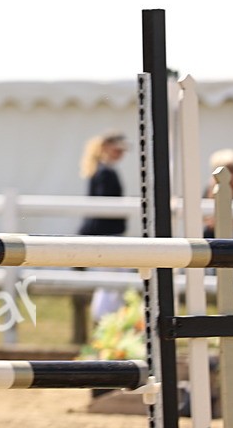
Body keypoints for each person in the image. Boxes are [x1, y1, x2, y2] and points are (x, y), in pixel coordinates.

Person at [76, 132, 129, 326]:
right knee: (110, 284)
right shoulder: (105, 172)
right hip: (108, 233)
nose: (120, 154)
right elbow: (103, 208)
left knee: (109, 283)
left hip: (106, 232)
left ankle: (107, 322)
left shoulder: (99, 170)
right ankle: (106, 322)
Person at [77, 132, 129, 237]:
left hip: (101, 228)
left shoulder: (101, 169)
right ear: (105, 147)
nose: (121, 153)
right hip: (103, 230)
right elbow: (104, 201)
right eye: (117, 150)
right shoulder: (104, 172)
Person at [203, 148, 233, 238]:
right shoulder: (210, 188)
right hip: (214, 231)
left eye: (232, 169)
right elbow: (204, 215)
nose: (230, 173)